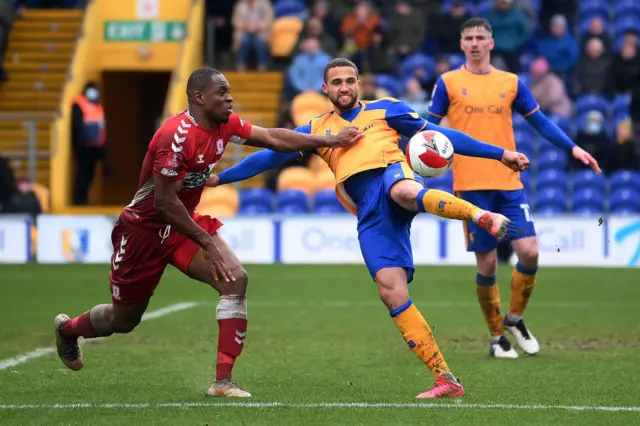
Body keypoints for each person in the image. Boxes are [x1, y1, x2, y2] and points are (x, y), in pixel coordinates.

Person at [208, 58, 531, 399]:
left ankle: (480, 216)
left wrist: (500, 154)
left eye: (350, 81)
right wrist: (219, 178)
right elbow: (269, 156)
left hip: (392, 172)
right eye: (336, 82)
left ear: (359, 84)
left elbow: (441, 135)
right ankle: (445, 378)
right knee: (391, 291)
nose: (344, 87)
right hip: (369, 212)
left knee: (404, 191)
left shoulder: (387, 110)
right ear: (325, 89)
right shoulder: (316, 130)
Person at [53, 67, 363, 398]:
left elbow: (272, 137)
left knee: (234, 279)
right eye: (222, 92)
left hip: (182, 223)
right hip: (144, 230)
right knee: (125, 319)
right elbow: (163, 203)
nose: (230, 98)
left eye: (229, 92)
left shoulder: (225, 124)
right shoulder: (176, 136)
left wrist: (328, 140)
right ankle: (69, 330)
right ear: (199, 98)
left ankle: (222, 381)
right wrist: (206, 242)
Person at [427, 17, 600, 359]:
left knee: (531, 252)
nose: (475, 43)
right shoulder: (447, 83)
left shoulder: (511, 83)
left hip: (508, 183)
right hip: (471, 186)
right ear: (461, 44)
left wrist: (572, 147)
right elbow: (427, 129)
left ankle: (515, 318)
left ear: (491, 43)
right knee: (488, 264)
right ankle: (496, 339)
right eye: (469, 38)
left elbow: (540, 122)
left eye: (480, 37)